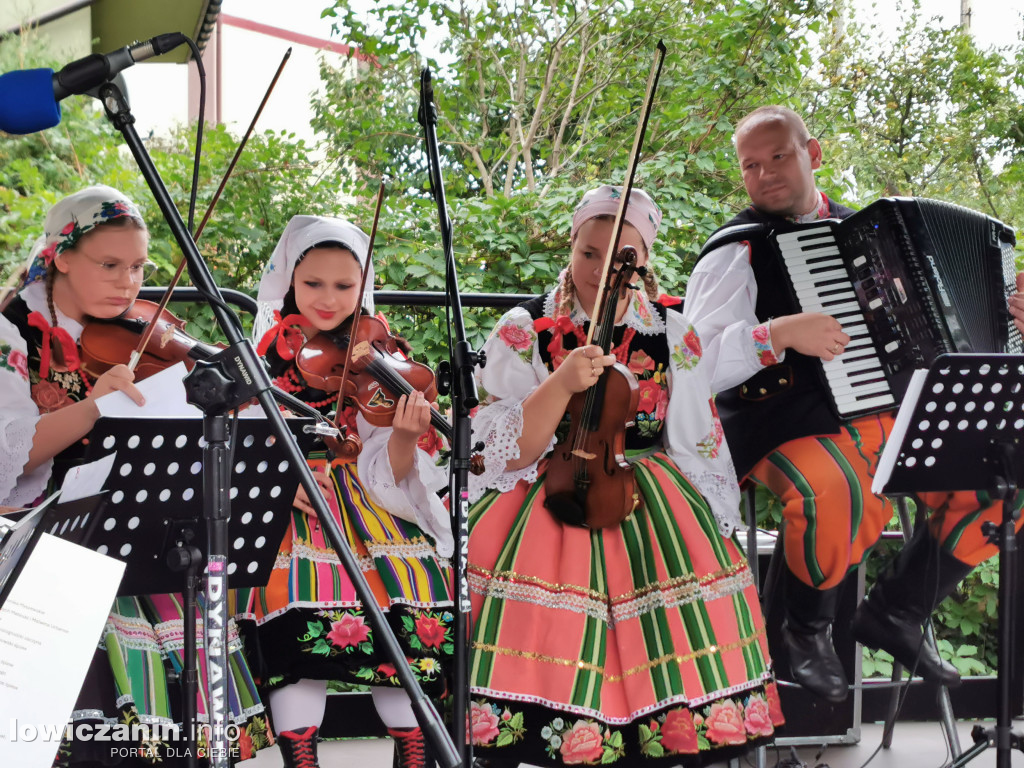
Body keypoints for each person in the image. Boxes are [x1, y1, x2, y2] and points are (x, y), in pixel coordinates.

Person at [685, 105, 1024, 703]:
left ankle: (896, 612)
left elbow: (952, 330)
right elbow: (696, 362)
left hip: (892, 415)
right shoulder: (736, 250)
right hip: (782, 420)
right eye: (750, 166)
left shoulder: (873, 231)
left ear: (812, 154)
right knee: (840, 487)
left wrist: (1009, 318)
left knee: (1005, 483)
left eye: (779, 157)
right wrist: (778, 334)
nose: (764, 175)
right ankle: (802, 633)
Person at [465, 185, 783, 767]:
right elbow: (501, 446)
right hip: (546, 483)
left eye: (621, 257)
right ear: (571, 247)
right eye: (588, 252)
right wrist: (559, 383)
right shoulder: (526, 326)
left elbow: (693, 434)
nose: (600, 269)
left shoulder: (672, 329)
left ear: (642, 262)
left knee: (662, 648)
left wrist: (711, 520)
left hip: (644, 492)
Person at [0, 184, 272, 764]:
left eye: (139, 267)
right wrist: (94, 405)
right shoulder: (11, 335)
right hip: (37, 528)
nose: (128, 282)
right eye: (110, 264)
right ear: (62, 257)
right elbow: (7, 459)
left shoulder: (142, 334)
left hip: (129, 522)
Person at [231, 215, 453, 768]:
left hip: (368, 502)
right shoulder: (259, 359)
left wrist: (404, 434)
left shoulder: (377, 355)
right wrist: (278, 484)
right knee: (292, 609)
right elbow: (236, 446)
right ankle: (299, 757)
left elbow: (392, 469)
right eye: (313, 285)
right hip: (290, 510)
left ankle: (414, 749)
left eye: (344, 286)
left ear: (363, 286)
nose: (328, 300)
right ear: (287, 282)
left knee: (408, 601)